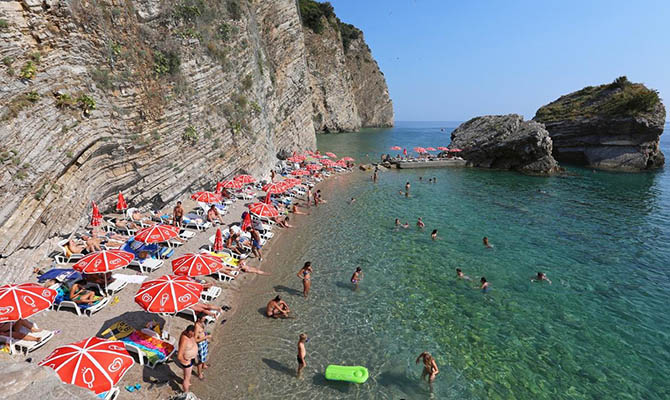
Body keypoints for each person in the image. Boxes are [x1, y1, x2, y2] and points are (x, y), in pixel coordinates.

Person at [177, 325, 198, 392]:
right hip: (187, 361)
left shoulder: (188, 333)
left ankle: (187, 382)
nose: (190, 336)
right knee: (186, 378)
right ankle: (186, 392)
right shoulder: (184, 340)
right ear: (187, 332)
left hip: (190, 358)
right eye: (189, 335)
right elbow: (179, 356)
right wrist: (186, 362)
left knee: (187, 376)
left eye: (192, 334)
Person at [194, 313, 212, 380]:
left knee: (204, 355)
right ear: (199, 319)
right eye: (203, 319)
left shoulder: (201, 323)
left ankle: (204, 365)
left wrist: (206, 336)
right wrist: (206, 337)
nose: (204, 320)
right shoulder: (196, 327)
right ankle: (199, 374)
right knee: (200, 360)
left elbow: (202, 332)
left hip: (204, 342)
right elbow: (195, 339)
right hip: (200, 344)